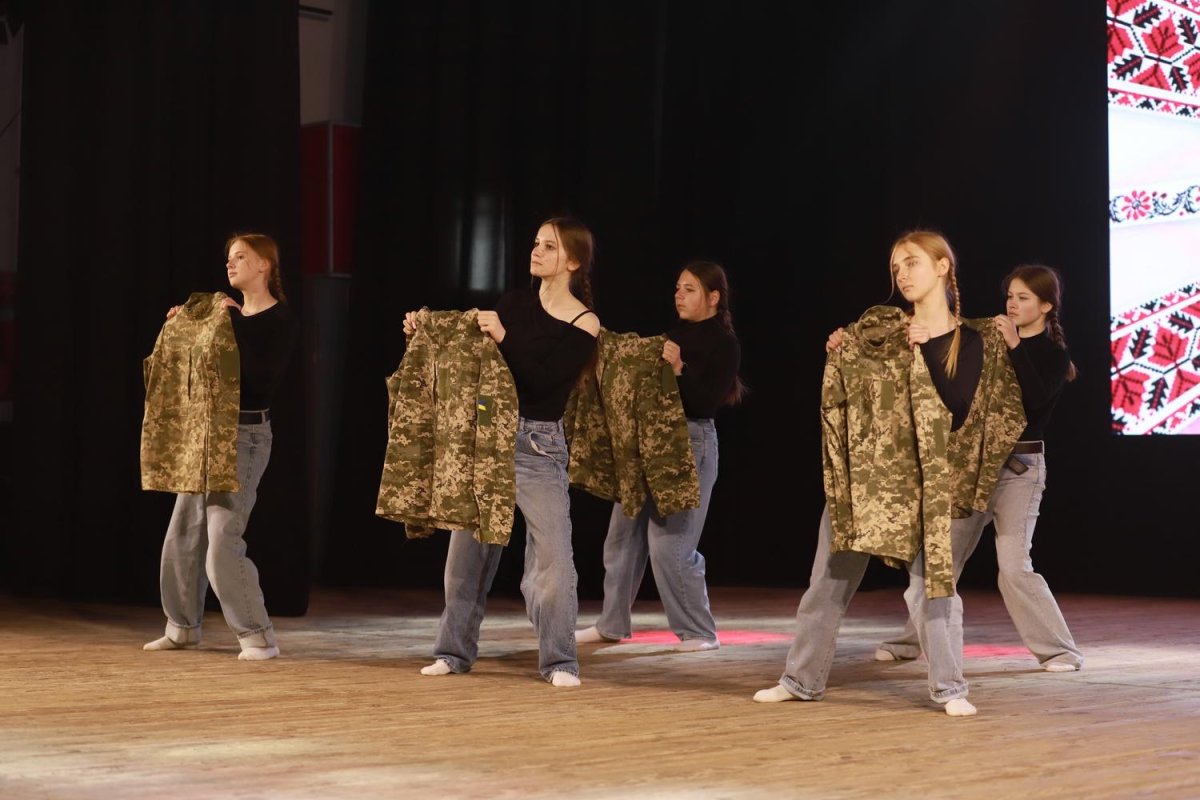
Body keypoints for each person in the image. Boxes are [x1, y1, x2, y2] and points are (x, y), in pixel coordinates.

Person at [753, 230, 1024, 716]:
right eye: (896, 266)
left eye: (912, 262)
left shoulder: (969, 339)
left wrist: (927, 349)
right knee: (827, 581)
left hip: (924, 486)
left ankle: (950, 688)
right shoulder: (882, 336)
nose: (902, 274)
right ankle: (801, 679)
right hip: (868, 479)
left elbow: (958, 408)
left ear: (942, 266)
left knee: (931, 588)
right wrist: (843, 348)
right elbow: (853, 377)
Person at [412, 217, 600, 687]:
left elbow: (544, 380)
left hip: (538, 445)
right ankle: (453, 652)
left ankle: (560, 660)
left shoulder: (584, 322)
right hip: (489, 439)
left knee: (553, 562)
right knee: (465, 559)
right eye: (536, 243)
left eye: (549, 246)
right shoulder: (513, 304)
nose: (536, 251)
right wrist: (423, 331)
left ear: (573, 261)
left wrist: (503, 336)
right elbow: (471, 360)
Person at [874, 265, 1083, 671]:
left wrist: (1015, 346)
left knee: (1014, 567)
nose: (1012, 304)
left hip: (1020, 469)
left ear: (1045, 305)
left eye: (1023, 298)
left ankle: (1060, 651)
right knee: (941, 562)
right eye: (1010, 296)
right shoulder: (986, 341)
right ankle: (909, 641)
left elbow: (1034, 403)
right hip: (973, 464)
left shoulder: (1053, 355)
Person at [145, 233, 298, 661]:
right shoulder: (224, 316)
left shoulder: (279, 319)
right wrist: (187, 327)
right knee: (182, 535)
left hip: (244, 436)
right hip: (206, 434)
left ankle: (258, 636)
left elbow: (258, 378)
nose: (230, 264)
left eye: (241, 257)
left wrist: (230, 323)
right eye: (229, 258)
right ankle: (182, 628)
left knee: (222, 539)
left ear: (264, 265)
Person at [576, 262, 742, 651]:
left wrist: (679, 369)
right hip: (649, 443)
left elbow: (705, 403)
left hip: (690, 444)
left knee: (671, 544)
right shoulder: (671, 336)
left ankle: (698, 631)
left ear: (713, 297)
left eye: (689, 289)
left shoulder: (724, 343)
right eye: (677, 288)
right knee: (621, 537)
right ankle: (611, 623)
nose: (679, 295)